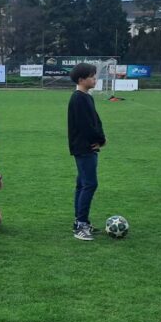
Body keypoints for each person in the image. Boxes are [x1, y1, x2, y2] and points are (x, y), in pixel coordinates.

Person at [67, 63, 106, 241]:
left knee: (83, 183)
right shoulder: (78, 99)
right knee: (89, 184)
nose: (95, 79)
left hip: (87, 146)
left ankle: (80, 221)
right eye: (91, 76)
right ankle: (81, 225)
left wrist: (101, 138)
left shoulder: (86, 97)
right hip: (84, 147)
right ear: (81, 80)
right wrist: (97, 140)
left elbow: (95, 120)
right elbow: (85, 126)